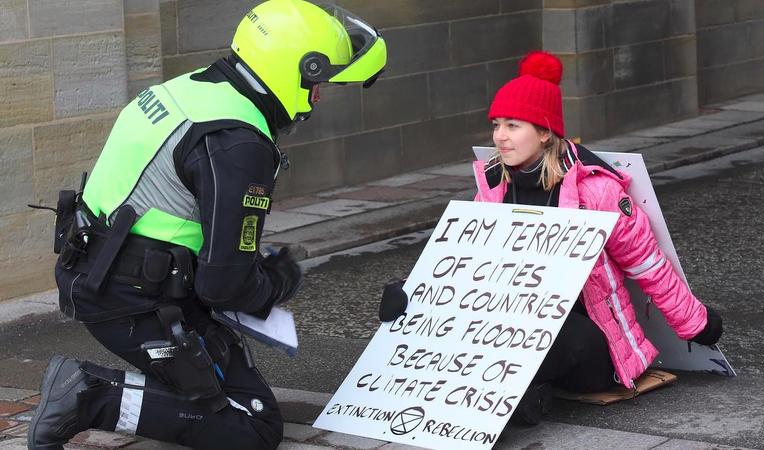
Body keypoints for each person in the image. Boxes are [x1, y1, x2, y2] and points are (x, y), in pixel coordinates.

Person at [29, 1, 386, 449]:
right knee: (252, 425)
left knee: (216, 384)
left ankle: (130, 387)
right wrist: (276, 282)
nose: (319, 96)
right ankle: (87, 395)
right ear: (292, 71)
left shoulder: (195, 88)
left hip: (105, 273)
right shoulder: (236, 142)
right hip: (131, 299)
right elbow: (226, 287)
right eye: (318, 83)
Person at [380, 50, 722, 425]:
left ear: (544, 132)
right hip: (516, 328)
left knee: (552, 332)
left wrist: (697, 324)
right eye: (496, 125)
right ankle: (507, 397)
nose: (500, 136)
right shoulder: (494, 185)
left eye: (513, 125)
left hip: (593, 345)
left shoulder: (597, 190)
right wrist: (412, 291)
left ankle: (504, 395)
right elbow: (465, 262)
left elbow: (647, 263)